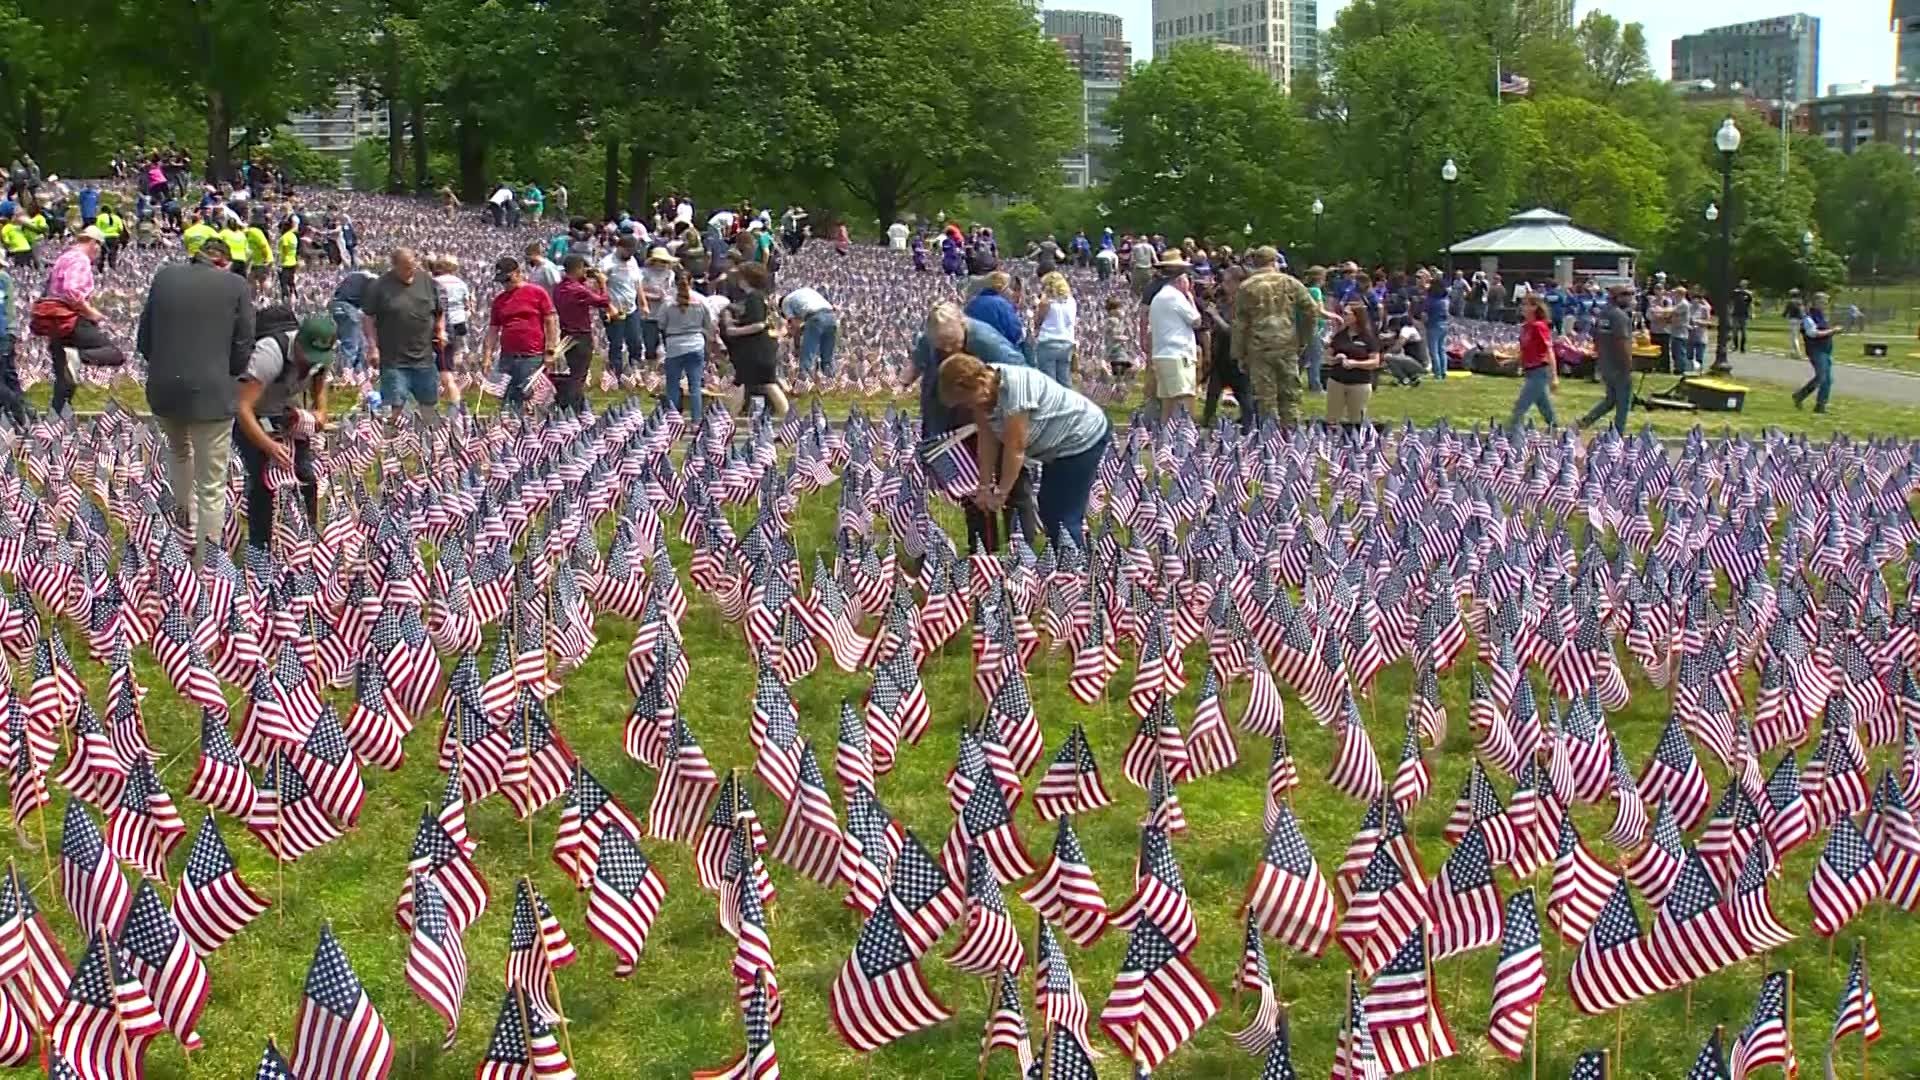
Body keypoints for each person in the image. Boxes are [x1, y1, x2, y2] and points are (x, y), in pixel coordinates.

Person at [138, 237, 253, 562]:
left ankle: (182, 518)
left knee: (178, 450)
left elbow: (144, 337)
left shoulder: (164, 277)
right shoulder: (236, 285)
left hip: (163, 389)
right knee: (212, 484)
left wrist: (164, 367)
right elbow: (244, 343)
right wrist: (225, 374)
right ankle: (208, 562)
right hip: (212, 394)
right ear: (224, 261)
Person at [936, 352, 1110, 550]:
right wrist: (983, 487)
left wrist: (1001, 495)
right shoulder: (984, 391)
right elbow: (987, 438)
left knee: (1062, 514)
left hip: (1082, 437)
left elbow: (1015, 448)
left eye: (967, 400)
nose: (969, 406)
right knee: (1049, 507)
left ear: (976, 383)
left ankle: (1075, 570)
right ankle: (1065, 561)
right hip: (1055, 449)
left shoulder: (1014, 389)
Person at [234, 309, 332, 548]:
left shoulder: (321, 360)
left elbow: (321, 403)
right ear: (297, 341)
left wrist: (315, 417)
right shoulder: (270, 354)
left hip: (288, 415)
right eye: (306, 354)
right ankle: (261, 547)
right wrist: (268, 445)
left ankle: (305, 540)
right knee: (263, 481)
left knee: (305, 476)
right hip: (254, 416)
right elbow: (242, 408)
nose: (309, 361)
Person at [1232, 246, 1318, 427]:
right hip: (1287, 343)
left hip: (1258, 347)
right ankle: (1291, 438)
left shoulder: (1247, 287)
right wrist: (1303, 338)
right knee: (1290, 396)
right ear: (1274, 261)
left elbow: (1240, 323)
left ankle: (1269, 440)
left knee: (1265, 398)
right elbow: (1311, 310)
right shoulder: (1290, 283)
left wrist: (1238, 353)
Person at [361, 247, 446, 410]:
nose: (411, 271)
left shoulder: (427, 281)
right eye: (406, 268)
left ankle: (426, 434)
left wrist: (441, 330)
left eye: (413, 266)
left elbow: (439, 311)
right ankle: (395, 434)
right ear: (394, 266)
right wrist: (372, 347)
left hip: (424, 357)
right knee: (395, 407)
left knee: (429, 405)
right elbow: (367, 317)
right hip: (393, 359)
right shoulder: (380, 286)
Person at [44, 227, 115, 413]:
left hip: (55, 321)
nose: (99, 252)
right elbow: (72, 291)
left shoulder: (64, 258)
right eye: (99, 247)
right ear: (93, 242)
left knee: (66, 380)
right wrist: (91, 312)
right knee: (114, 353)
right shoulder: (80, 260)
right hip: (73, 319)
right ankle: (77, 356)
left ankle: (55, 420)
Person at [482, 257, 559, 406]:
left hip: (532, 355)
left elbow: (550, 321)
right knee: (507, 396)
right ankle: (511, 423)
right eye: (502, 281)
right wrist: (487, 356)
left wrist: (550, 349)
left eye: (507, 280)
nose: (505, 285)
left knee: (527, 396)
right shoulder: (499, 300)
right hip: (507, 356)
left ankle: (525, 424)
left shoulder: (537, 292)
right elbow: (493, 330)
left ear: (518, 273)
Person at [722, 261, 787, 418]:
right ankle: (788, 418)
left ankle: (729, 419)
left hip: (756, 349)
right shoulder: (760, 297)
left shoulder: (754, 298)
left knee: (744, 383)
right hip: (761, 349)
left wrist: (734, 331)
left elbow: (758, 324)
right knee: (766, 384)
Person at [658, 267, 717, 421]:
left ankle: (673, 419)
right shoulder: (701, 300)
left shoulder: (668, 302)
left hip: (674, 344)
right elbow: (709, 322)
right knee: (695, 386)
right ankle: (696, 420)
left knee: (672, 385)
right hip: (695, 342)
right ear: (691, 282)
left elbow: (661, 324)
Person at [1147, 254, 1202, 417]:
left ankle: (1166, 436)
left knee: (1168, 402)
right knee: (1185, 397)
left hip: (1163, 353)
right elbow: (1196, 320)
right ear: (1180, 280)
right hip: (1178, 354)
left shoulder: (1159, 296)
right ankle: (1186, 433)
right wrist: (1190, 298)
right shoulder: (1176, 297)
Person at [1579, 283, 1637, 434]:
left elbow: (1595, 336)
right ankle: (1618, 433)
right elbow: (1622, 341)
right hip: (1619, 364)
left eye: (1630, 294)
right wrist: (1628, 363)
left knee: (1610, 399)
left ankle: (1586, 420)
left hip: (1605, 363)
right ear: (1616, 297)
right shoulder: (1620, 316)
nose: (1630, 298)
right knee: (1624, 402)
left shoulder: (1603, 314)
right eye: (1626, 295)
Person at [1201, 269, 1254, 428]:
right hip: (1221, 353)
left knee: (1242, 392)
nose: (1224, 285)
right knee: (1213, 392)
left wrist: (1216, 316)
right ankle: (1207, 421)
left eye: (1228, 282)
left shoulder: (1243, 305)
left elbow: (1233, 331)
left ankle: (1249, 424)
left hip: (1236, 354)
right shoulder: (1224, 301)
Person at [1323, 300, 1381, 429]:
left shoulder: (1368, 337)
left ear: (1357, 317)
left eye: (1347, 313)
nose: (1344, 316)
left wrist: (1355, 364)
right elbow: (1327, 356)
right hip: (1336, 382)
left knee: (1356, 420)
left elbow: (1375, 362)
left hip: (1359, 384)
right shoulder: (1340, 335)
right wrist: (1334, 359)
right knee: (1332, 419)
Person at [1508, 293, 1558, 430]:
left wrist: (1554, 376)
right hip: (1529, 371)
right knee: (1544, 406)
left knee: (1520, 407)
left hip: (1540, 371)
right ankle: (1556, 429)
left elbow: (1549, 350)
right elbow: (1525, 350)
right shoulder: (1525, 327)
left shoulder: (1539, 326)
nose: (1522, 307)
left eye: (1526, 304)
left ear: (1535, 307)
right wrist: (1515, 362)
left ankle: (1511, 433)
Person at [598, 236, 643, 379]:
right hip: (614, 310)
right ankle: (616, 374)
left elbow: (637, 283)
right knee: (616, 342)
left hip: (631, 308)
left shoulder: (633, 261)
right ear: (620, 247)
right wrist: (609, 307)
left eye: (633, 252)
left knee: (635, 340)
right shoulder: (607, 264)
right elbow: (600, 288)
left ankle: (634, 371)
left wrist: (643, 302)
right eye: (628, 251)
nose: (630, 254)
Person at [430, 256, 471, 400]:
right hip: (460, 321)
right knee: (457, 355)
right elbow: (468, 304)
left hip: (442, 323)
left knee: (442, 361)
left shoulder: (435, 283)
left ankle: (450, 387)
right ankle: (458, 381)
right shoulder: (461, 283)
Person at [1793, 291, 1840, 413]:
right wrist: (1832, 331)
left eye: (1826, 302)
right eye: (1823, 302)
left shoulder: (1821, 316)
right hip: (1816, 351)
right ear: (1816, 302)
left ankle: (1820, 406)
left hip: (1825, 350)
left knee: (1827, 379)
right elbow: (1812, 333)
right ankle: (1801, 395)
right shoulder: (1809, 317)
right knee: (1822, 377)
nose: (1825, 305)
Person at [780, 284, 838, 380]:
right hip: (831, 316)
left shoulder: (785, 303)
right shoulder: (805, 291)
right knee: (827, 357)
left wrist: (797, 346)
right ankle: (830, 382)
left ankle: (803, 384)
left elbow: (796, 326)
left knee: (807, 356)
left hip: (815, 318)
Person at [1032, 271, 1077, 387]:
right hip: (1067, 343)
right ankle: (1067, 404)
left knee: (1049, 383)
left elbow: (1037, 322)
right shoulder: (1072, 301)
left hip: (1048, 342)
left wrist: (1037, 306)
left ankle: (1050, 405)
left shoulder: (1046, 303)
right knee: (1065, 380)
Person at [965, 271, 1024, 350]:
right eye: (1012, 288)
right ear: (1001, 288)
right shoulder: (1002, 305)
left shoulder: (972, 303)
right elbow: (1015, 334)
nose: (1015, 293)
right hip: (998, 352)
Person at [639, 246, 676, 362]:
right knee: (650, 345)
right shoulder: (644, 273)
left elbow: (672, 290)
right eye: (661, 261)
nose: (664, 264)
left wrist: (668, 297)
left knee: (670, 344)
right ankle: (650, 369)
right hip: (649, 313)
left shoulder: (670, 274)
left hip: (666, 314)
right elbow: (639, 292)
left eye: (665, 261)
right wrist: (655, 296)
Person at [0, 256, 19, 424]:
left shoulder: (2, 279)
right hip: (7, 333)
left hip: (3, 334)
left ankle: (19, 414)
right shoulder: (4, 278)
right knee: (9, 378)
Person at [1421, 276, 1450, 380]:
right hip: (1445, 324)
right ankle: (1444, 371)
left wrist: (1424, 323)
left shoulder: (1430, 300)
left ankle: (1437, 373)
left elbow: (1424, 315)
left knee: (1433, 350)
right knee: (1442, 349)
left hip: (1433, 324)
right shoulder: (1445, 298)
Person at [94, 200, 125, 271]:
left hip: (104, 238)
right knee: (113, 254)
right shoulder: (117, 218)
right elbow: (121, 228)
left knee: (102, 254)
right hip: (114, 238)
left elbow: (97, 227)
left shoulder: (100, 217)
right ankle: (112, 268)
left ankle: (100, 269)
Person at [1729, 278, 1752, 352]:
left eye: (1745, 284)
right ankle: (1735, 346)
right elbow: (1731, 302)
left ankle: (1742, 347)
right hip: (1735, 314)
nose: (1743, 285)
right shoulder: (1735, 292)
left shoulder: (1748, 293)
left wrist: (1751, 313)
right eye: (1742, 284)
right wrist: (1730, 310)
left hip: (1744, 315)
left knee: (1744, 332)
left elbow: (1750, 304)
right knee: (1735, 331)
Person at [1783, 288, 1805, 359]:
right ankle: (1792, 352)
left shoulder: (1790, 302)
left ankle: (1798, 353)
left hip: (1792, 319)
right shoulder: (1800, 302)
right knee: (1794, 336)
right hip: (1799, 319)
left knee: (1794, 337)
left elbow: (1786, 311)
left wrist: (1783, 315)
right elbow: (1802, 311)